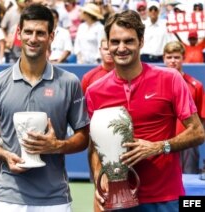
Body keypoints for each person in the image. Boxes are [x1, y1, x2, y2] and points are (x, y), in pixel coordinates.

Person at [0, 3, 89, 212]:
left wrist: (57, 146)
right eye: (29, 32)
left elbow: (83, 137)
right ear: (18, 33)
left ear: (51, 36)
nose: (33, 39)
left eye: (41, 33)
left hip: (56, 199)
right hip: (9, 197)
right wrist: (4, 154)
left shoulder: (69, 82)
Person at [85, 10, 205, 212]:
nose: (121, 48)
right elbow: (95, 147)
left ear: (141, 42)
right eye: (115, 42)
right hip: (118, 200)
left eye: (128, 41)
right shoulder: (94, 91)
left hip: (166, 198)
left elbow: (198, 132)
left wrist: (159, 147)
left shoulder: (170, 79)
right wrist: (99, 177)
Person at [163, 41, 205, 174]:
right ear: (164, 58)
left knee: (189, 182)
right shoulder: (154, 85)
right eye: (169, 57)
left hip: (188, 144)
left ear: (183, 58)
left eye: (176, 57)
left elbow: (201, 118)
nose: (173, 61)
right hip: (163, 142)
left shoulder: (195, 85)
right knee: (165, 182)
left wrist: (192, 139)